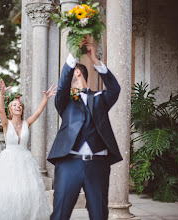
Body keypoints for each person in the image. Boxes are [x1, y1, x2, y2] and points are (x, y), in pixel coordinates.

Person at [47, 38, 123, 220]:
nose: (68, 74)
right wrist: (73, 53)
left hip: (98, 163)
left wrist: (95, 59)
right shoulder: (64, 100)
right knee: (59, 215)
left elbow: (115, 89)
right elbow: (64, 83)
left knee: (99, 215)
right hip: (68, 163)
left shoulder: (100, 98)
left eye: (73, 68)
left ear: (79, 72)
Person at [0, 79, 57, 220]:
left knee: (26, 193)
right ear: (10, 109)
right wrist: (2, 94)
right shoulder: (6, 124)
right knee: (8, 191)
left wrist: (46, 97)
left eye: (19, 105)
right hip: (8, 161)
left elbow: (38, 112)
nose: (17, 106)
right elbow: (0, 110)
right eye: (14, 105)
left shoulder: (27, 123)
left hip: (25, 162)